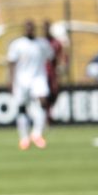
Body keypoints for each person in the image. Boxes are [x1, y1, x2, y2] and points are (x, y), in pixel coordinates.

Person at [7, 20, 53, 150]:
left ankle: (37, 134)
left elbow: (51, 57)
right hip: (21, 80)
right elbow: (11, 62)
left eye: (32, 28)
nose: (30, 30)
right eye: (27, 28)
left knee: (43, 102)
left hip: (39, 78)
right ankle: (24, 138)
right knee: (22, 108)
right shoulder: (17, 44)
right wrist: (11, 81)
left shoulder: (42, 43)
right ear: (24, 29)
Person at [43, 20, 66, 120]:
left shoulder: (56, 43)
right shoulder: (40, 42)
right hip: (41, 73)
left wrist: (62, 67)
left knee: (54, 92)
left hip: (52, 73)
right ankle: (46, 115)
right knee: (43, 95)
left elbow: (63, 57)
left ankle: (49, 113)